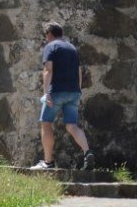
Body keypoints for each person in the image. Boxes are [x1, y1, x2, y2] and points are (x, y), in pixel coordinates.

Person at [31, 22, 93, 171]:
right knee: (72, 126)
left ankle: (48, 162)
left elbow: (48, 69)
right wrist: (78, 90)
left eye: (46, 36)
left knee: (46, 123)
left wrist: (46, 93)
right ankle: (87, 152)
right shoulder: (72, 48)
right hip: (74, 92)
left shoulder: (51, 47)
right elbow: (79, 71)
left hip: (57, 92)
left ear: (49, 34)